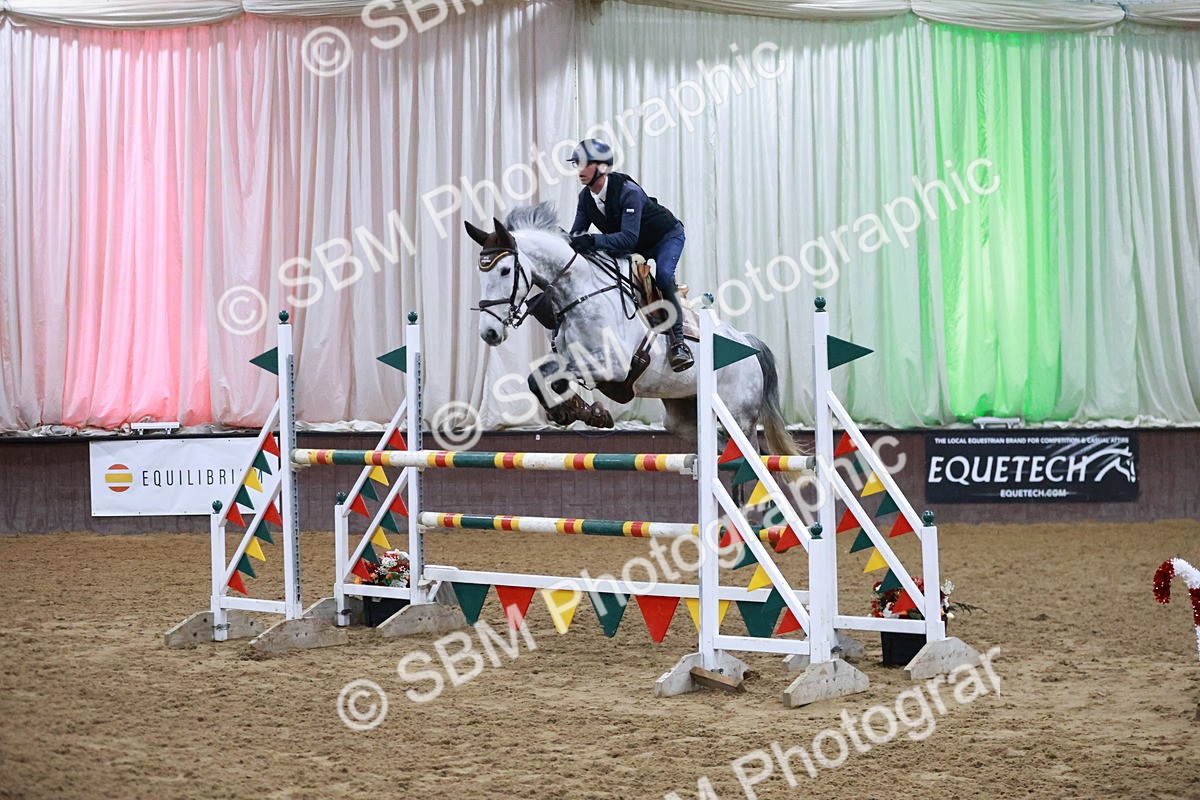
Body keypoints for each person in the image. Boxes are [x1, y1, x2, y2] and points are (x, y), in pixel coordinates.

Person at [567, 139, 693, 372]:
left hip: (666, 237)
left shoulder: (629, 192)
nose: (579, 170)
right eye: (577, 164)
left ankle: (679, 344)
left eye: (584, 164)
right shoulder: (585, 198)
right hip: (635, 246)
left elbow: (627, 240)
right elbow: (577, 235)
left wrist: (593, 240)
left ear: (602, 167)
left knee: (664, 276)